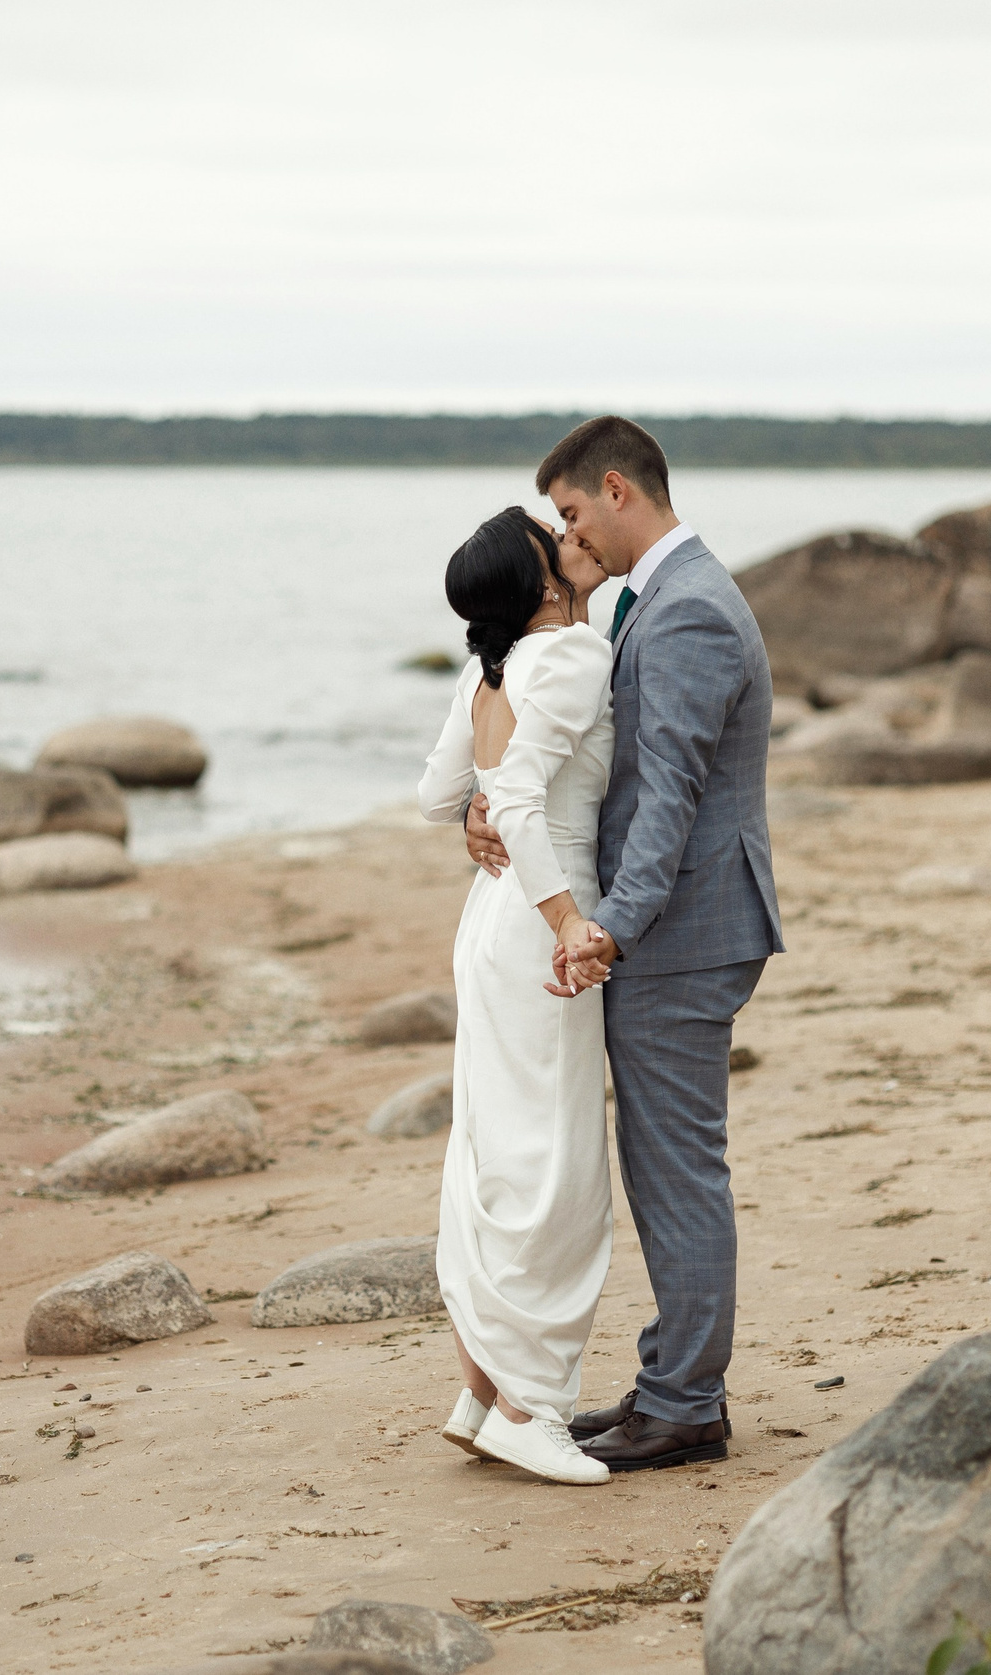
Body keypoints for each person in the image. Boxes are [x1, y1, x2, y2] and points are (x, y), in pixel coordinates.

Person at [467, 415, 782, 1472]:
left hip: (685, 927)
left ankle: (687, 1402)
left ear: (615, 489)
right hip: (678, 922)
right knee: (664, 1166)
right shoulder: (666, 595)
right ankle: (670, 1383)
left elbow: (674, 798)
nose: (568, 537)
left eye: (568, 513)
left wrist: (608, 925)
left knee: (676, 1169)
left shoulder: (688, 610)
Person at [416, 505, 618, 1485]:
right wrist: (569, 922)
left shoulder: (487, 669)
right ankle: (531, 1405)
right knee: (552, 1162)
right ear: (541, 583)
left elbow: (436, 795)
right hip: (540, 921)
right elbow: (527, 801)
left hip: (488, 919)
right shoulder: (570, 656)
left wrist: (473, 813)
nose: (568, 540)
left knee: (495, 1147)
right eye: (555, 536)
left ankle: (481, 1391)